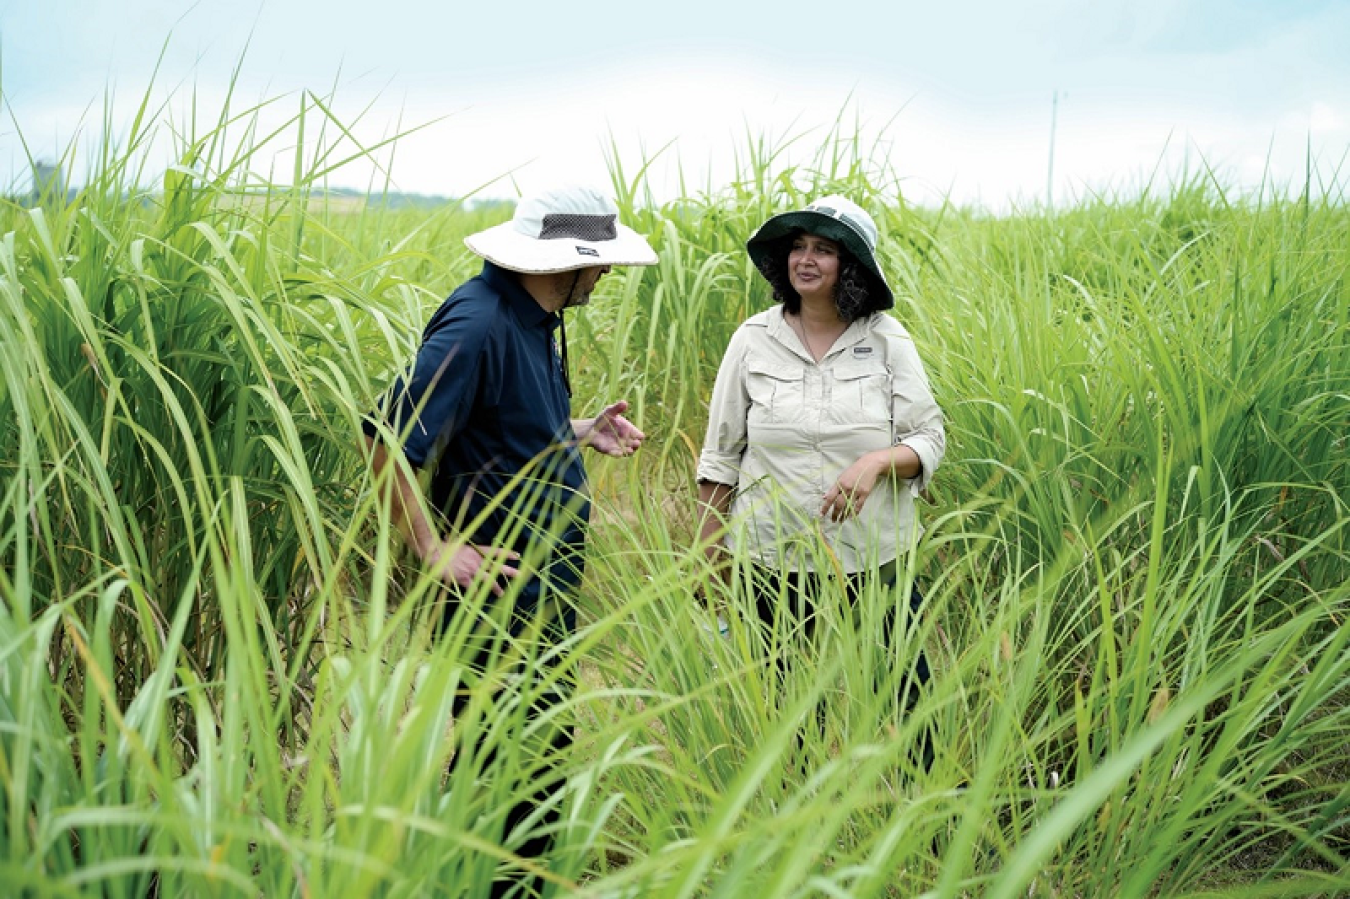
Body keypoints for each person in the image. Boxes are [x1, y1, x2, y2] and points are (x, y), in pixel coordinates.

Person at [362, 184, 657, 896]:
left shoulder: (536, 317)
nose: (608, 274)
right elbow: (385, 438)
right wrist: (433, 547)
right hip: (496, 598)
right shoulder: (480, 321)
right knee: (508, 764)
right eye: (602, 263)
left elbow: (501, 425)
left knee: (534, 754)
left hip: (544, 589)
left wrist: (578, 430)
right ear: (568, 260)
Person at [695, 194, 945, 763]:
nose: (805, 260)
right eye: (798, 248)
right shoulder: (752, 340)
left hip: (872, 553)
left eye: (824, 250)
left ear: (850, 266)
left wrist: (875, 462)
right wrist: (709, 554)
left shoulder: (886, 340)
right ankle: (791, 816)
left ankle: (931, 812)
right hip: (769, 552)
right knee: (784, 701)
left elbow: (929, 437)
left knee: (906, 688)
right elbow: (720, 455)